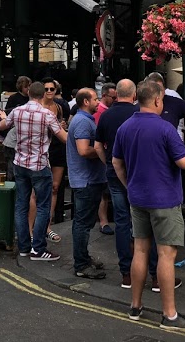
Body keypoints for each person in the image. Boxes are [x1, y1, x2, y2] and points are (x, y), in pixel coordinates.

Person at [111, 81, 185, 330]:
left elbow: (116, 162)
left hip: (137, 198)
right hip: (165, 200)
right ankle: (169, 315)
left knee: (140, 251)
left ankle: (135, 306)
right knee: (167, 256)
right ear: (158, 100)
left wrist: (129, 185)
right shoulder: (166, 128)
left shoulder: (125, 127)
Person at [0, 80, 66, 260]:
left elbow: (2, 126)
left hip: (20, 163)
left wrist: (4, 117)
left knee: (21, 205)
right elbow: (63, 137)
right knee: (43, 207)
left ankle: (24, 247)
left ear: (28, 94)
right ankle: (39, 249)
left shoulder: (18, 111)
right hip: (40, 165)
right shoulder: (46, 115)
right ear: (43, 95)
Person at [95, 79, 141, 289]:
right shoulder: (139, 113)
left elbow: (97, 146)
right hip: (138, 173)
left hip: (114, 173)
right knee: (144, 222)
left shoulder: (106, 115)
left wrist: (109, 164)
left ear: (116, 95)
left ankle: (126, 273)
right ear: (133, 95)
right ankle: (153, 274)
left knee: (122, 221)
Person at [67, 87, 107, 278]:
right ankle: (81, 265)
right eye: (95, 99)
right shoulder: (83, 122)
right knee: (82, 223)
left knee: (83, 222)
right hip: (86, 180)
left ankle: (83, 258)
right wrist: (103, 150)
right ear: (85, 102)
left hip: (86, 179)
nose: (98, 102)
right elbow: (83, 150)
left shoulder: (83, 120)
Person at [41, 78, 67, 242]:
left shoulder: (60, 107)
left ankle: (47, 226)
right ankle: (35, 226)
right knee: (39, 190)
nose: (50, 91)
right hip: (43, 149)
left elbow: (63, 126)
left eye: (53, 89)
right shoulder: (38, 107)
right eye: (47, 89)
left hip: (58, 148)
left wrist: (62, 127)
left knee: (55, 187)